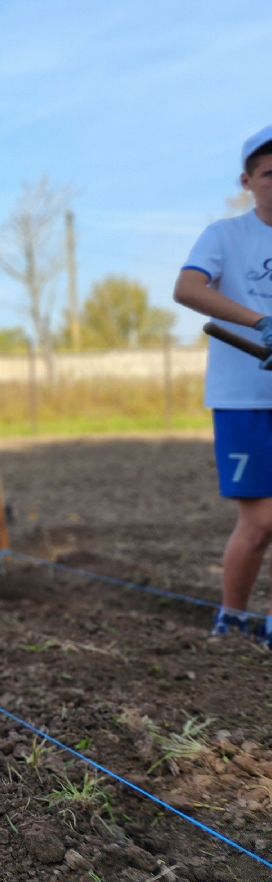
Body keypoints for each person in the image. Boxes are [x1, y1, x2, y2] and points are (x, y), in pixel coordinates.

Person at [173, 123, 272, 648]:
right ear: (248, 181)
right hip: (243, 401)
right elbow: (187, 288)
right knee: (259, 524)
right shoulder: (224, 236)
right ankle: (231, 620)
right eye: (270, 173)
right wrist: (260, 322)